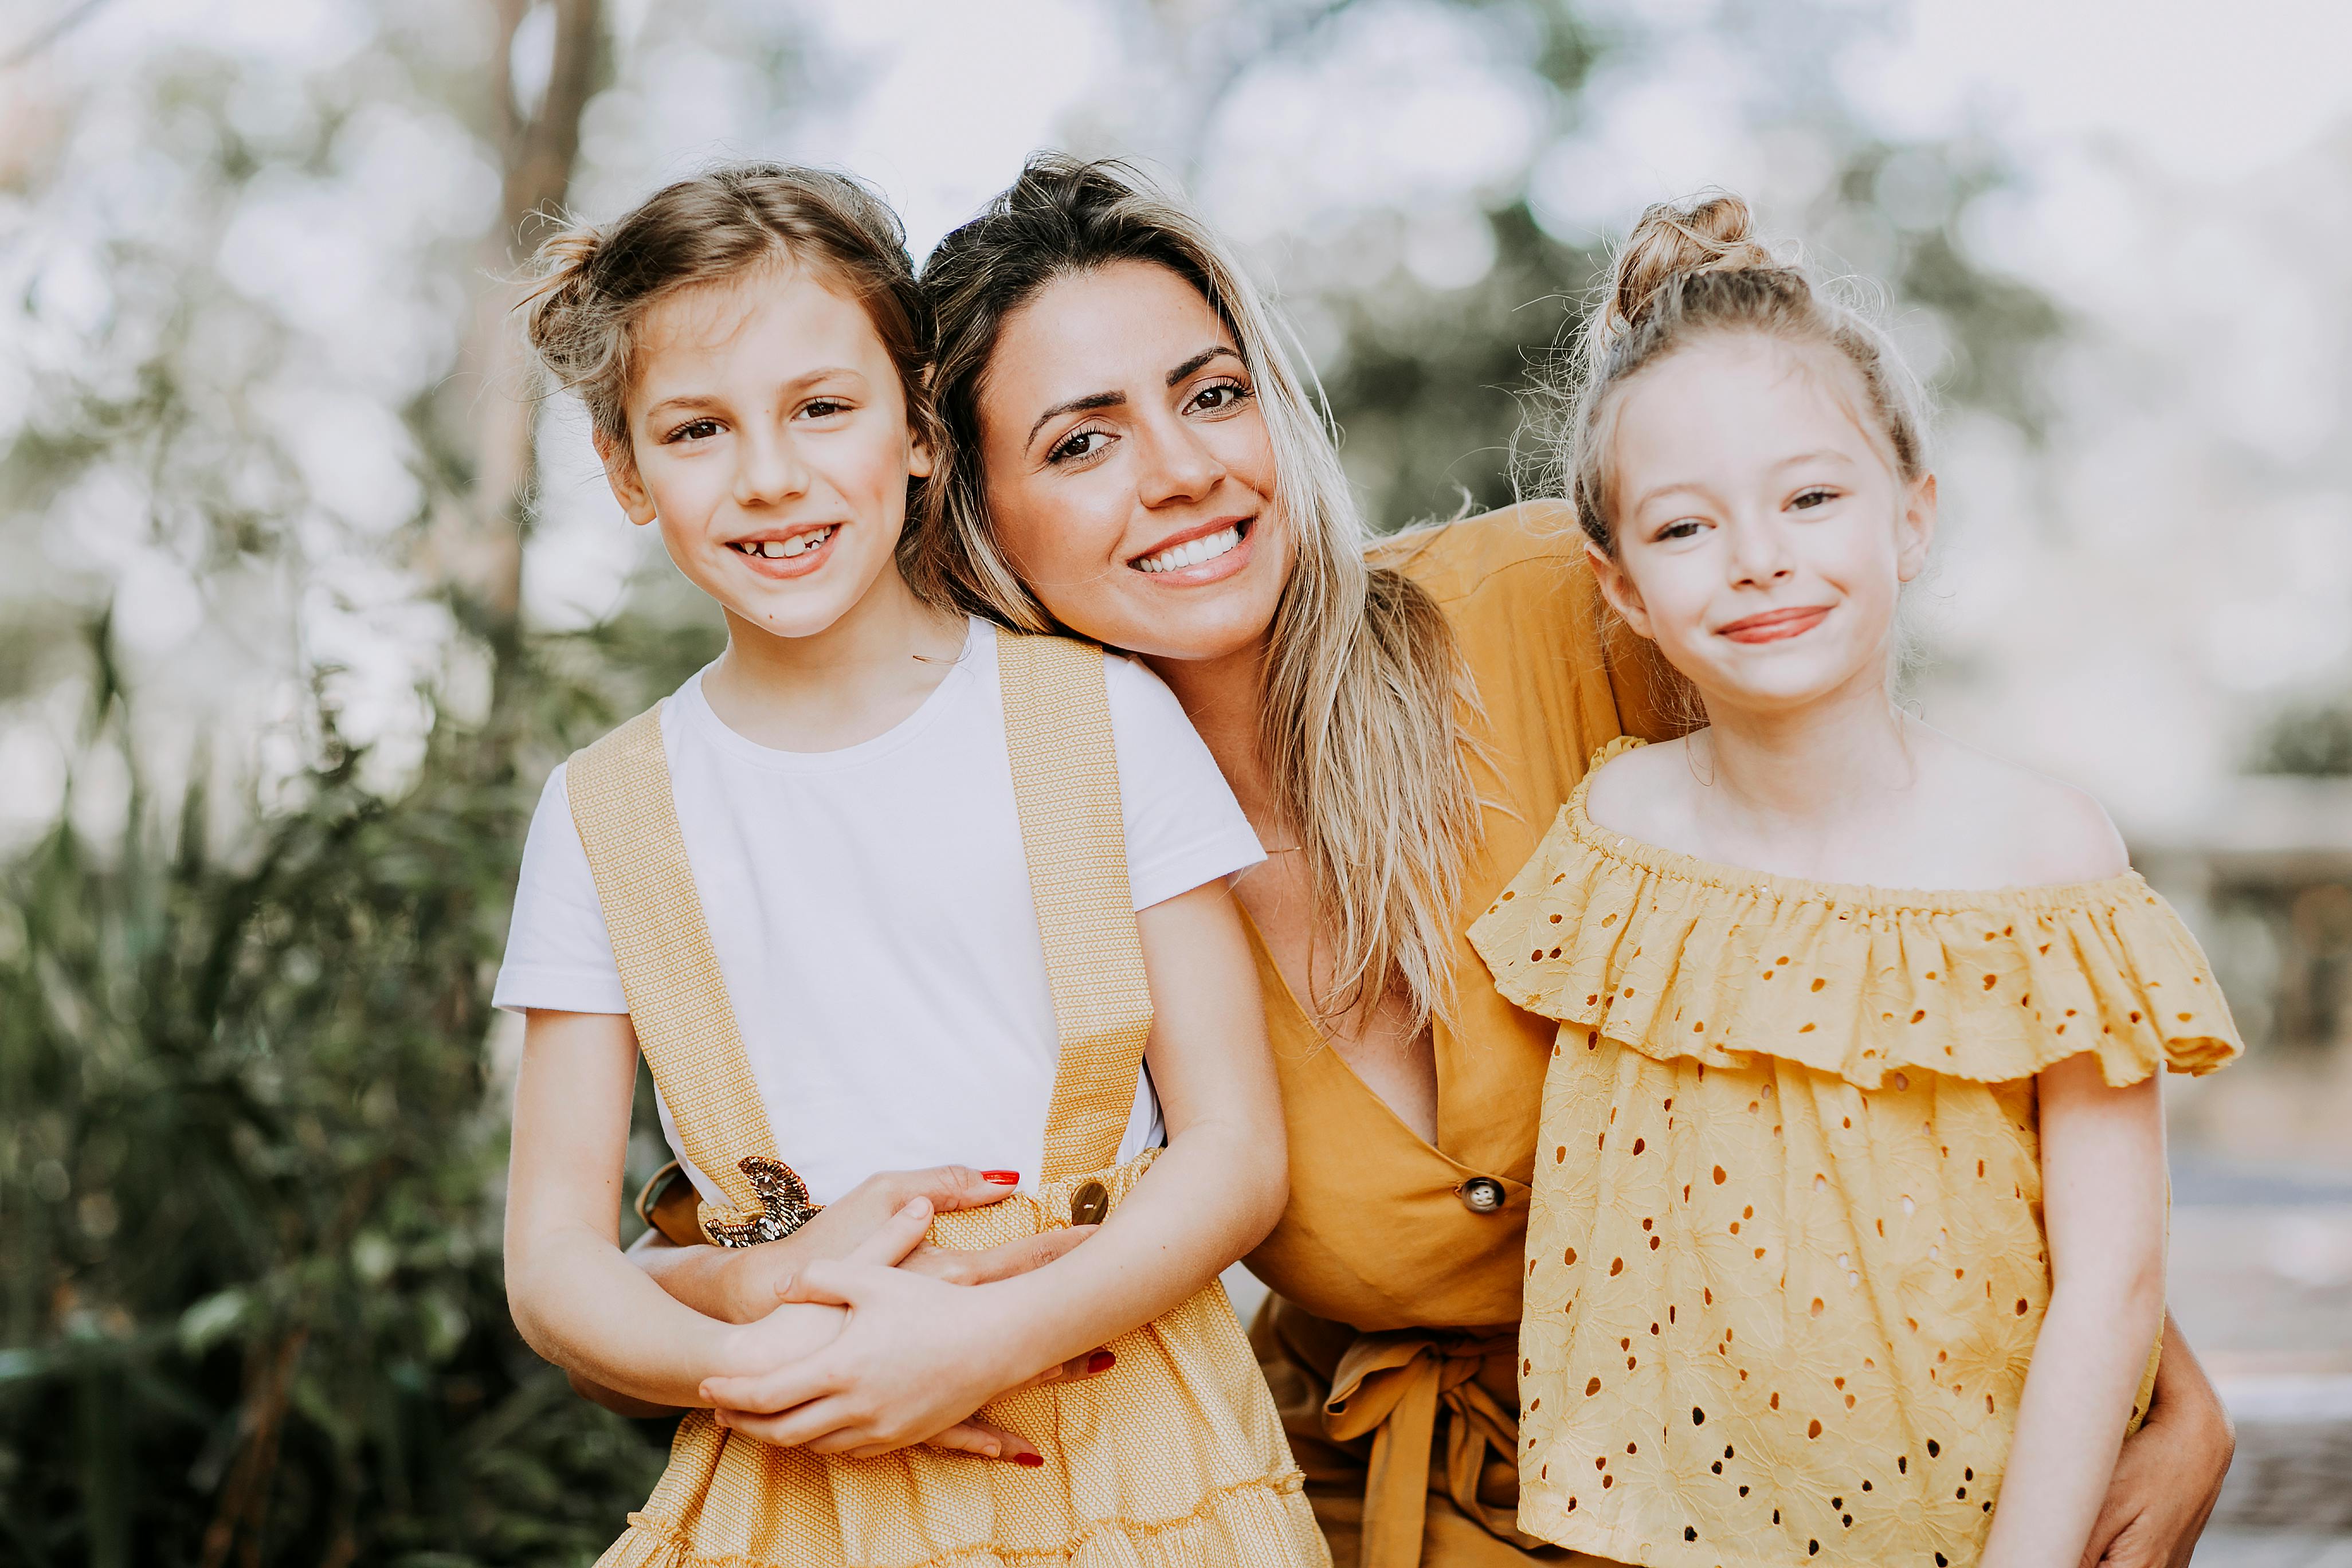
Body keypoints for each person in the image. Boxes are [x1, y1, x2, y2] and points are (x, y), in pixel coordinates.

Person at [621, 156, 2241, 1568]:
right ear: (963, 505)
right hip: (1371, 1513)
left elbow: (1896, 942)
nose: (1186, 471)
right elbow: (717, 1223)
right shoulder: (1001, 833)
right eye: (1083, 443)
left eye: (1210, 393)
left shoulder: (1551, 612)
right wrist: (729, 1286)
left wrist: (2160, 1385)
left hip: (1792, 1485)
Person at [496, 162, 1327, 1565]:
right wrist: (764, 1354)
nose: (772, 477)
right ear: (626, 472)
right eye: (697, 430)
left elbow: (1236, 1155)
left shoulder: (1097, 716)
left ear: (920, 427)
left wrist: (983, 1334)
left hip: (1133, 1447)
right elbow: (555, 1265)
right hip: (804, 1479)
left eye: (823, 409)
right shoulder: (605, 815)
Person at [1468, 192, 2240, 1568]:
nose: (1760, 557)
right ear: (1624, 587)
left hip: (1981, 1530)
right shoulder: (1613, 843)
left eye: (1813, 498)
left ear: (1912, 520)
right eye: (1687, 528)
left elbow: (2112, 1283)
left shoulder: (2046, 857)